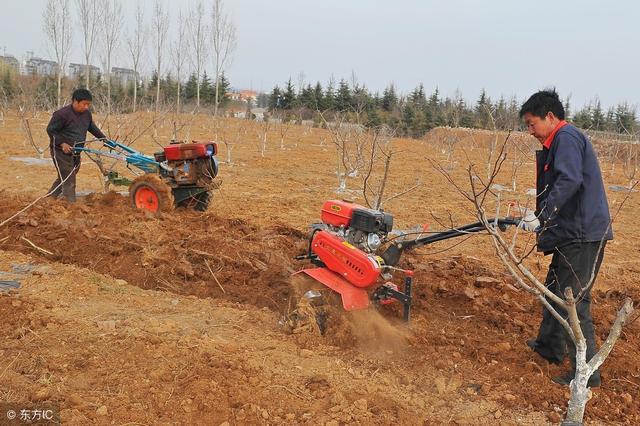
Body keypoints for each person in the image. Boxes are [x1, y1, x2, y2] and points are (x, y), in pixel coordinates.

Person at [518, 90, 613, 387]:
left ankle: (586, 376)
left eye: (532, 124)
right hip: (571, 232)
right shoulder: (559, 140)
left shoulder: (567, 138)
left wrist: (543, 216)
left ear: (550, 117)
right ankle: (549, 347)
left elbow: (569, 180)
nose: (530, 131)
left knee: (574, 302)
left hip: (583, 236)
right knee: (555, 290)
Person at [46, 88, 106, 202]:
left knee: (67, 175)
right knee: (69, 178)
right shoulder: (62, 114)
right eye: (84, 104)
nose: (86, 107)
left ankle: (50, 198)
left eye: (88, 104)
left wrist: (104, 139)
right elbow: (50, 130)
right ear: (75, 101)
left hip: (76, 151)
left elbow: (91, 127)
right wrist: (62, 143)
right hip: (60, 151)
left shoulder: (86, 114)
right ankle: (71, 205)